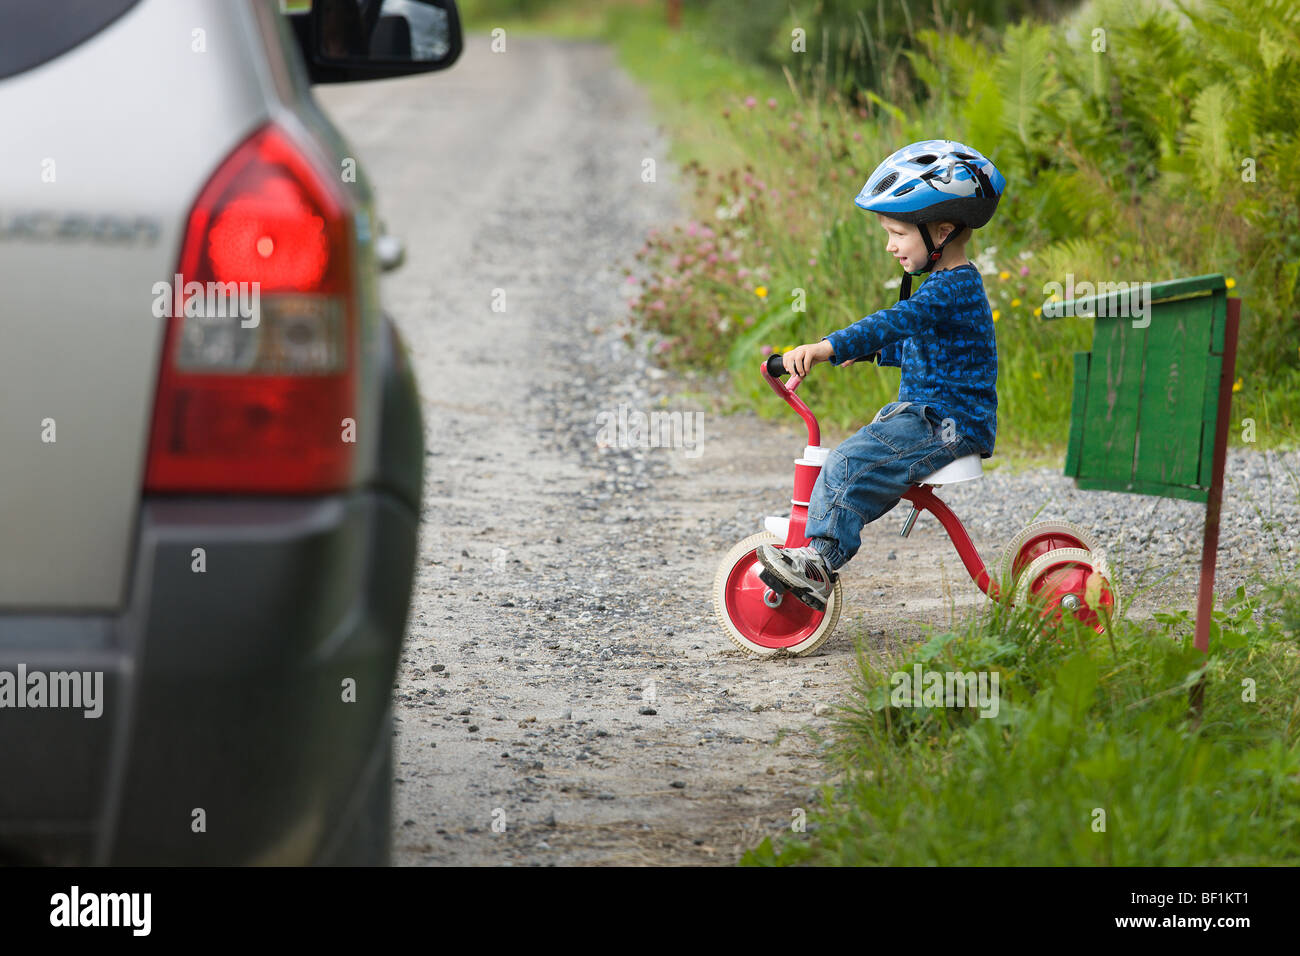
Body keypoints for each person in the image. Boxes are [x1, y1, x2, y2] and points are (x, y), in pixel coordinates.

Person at [756, 139, 1006, 612]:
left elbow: (895, 322)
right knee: (858, 455)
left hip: (946, 422)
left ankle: (820, 563)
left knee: (849, 463)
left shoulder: (952, 287)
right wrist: (868, 355)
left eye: (897, 232)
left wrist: (830, 346)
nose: (890, 245)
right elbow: (924, 347)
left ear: (943, 232)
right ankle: (813, 553)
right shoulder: (946, 286)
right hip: (931, 415)